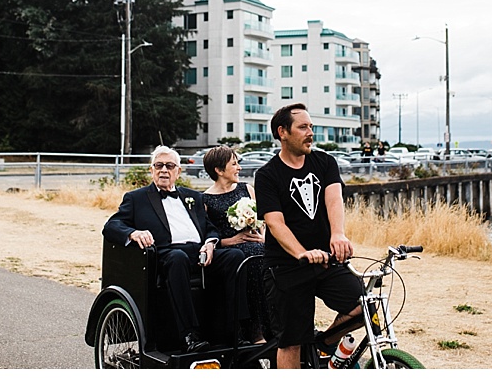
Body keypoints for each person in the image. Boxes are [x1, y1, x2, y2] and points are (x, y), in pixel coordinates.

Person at [102, 146, 248, 353]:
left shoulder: (193, 197)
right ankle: (189, 335)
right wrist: (133, 233)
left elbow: (210, 229)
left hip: (200, 252)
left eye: (169, 166)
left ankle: (233, 330)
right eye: (159, 165)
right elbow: (112, 226)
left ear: (178, 171)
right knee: (177, 258)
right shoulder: (136, 198)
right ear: (151, 170)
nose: (164, 170)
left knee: (235, 256)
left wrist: (210, 243)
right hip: (165, 255)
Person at [254, 103, 363, 369]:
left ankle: (323, 344)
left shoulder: (324, 162)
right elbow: (274, 223)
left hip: (326, 260)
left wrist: (338, 234)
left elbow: (334, 200)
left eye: (311, 126)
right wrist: (301, 252)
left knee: (363, 305)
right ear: (282, 132)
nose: (310, 132)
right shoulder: (267, 175)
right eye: (303, 127)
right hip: (286, 266)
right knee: (291, 341)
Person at [202, 146, 269, 344]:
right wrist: (230, 241)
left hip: (256, 244)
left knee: (265, 252)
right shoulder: (205, 199)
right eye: (234, 164)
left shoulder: (246, 189)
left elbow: (264, 219)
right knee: (252, 256)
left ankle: (276, 321)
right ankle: (254, 329)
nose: (239, 168)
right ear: (219, 170)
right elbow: (205, 236)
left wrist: (263, 236)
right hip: (228, 251)